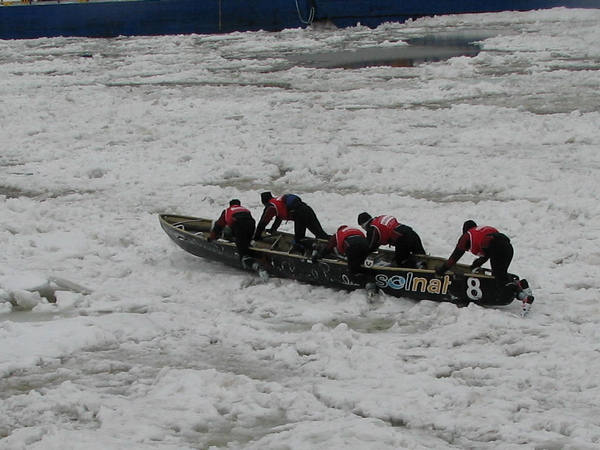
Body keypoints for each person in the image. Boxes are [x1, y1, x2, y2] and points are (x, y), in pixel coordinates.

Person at [434, 220, 534, 315]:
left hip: (497, 248)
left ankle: (523, 297)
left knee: (499, 281)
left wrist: (441, 271)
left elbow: (454, 258)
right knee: (500, 274)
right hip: (508, 247)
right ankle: (520, 284)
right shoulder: (483, 230)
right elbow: (490, 247)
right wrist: (478, 263)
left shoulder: (466, 236)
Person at [312, 225, 379, 299]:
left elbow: (329, 247)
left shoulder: (339, 234)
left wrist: (319, 256)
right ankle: (373, 275)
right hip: (365, 245)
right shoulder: (355, 230)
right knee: (362, 265)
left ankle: (369, 283)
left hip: (352, 246)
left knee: (353, 273)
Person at [209, 199, 268, 281]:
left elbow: (219, 225)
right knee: (247, 244)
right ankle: (260, 256)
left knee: (243, 254)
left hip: (239, 225)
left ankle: (259, 268)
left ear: (230, 205)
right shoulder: (245, 210)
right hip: (251, 224)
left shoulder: (227, 211)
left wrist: (212, 237)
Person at [253, 192, 330, 248]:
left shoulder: (270, 207)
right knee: (321, 235)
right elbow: (278, 218)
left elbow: (263, 222)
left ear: (264, 202)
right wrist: (273, 230)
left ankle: (316, 247)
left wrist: (257, 235)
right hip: (307, 210)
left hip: (300, 215)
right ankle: (336, 244)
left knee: (299, 239)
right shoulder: (278, 202)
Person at [357, 212, 426, 269]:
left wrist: (360, 255)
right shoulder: (379, 219)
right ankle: (426, 268)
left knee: (401, 262)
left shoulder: (373, 228)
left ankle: (417, 265)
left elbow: (370, 246)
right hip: (411, 233)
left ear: (364, 225)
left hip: (403, 239)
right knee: (421, 256)